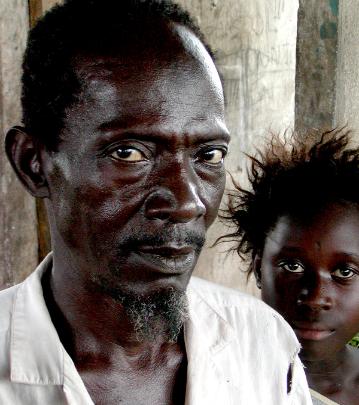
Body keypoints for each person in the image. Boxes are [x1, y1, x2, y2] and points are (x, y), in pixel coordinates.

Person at [1, 0, 312, 403]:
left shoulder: (262, 345)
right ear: (34, 165)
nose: (187, 202)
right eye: (129, 153)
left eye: (208, 155)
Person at [223, 128, 359, 405]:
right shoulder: (216, 379)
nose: (315, 298)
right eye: (292, 266)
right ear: (259, 266)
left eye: (344, 272)